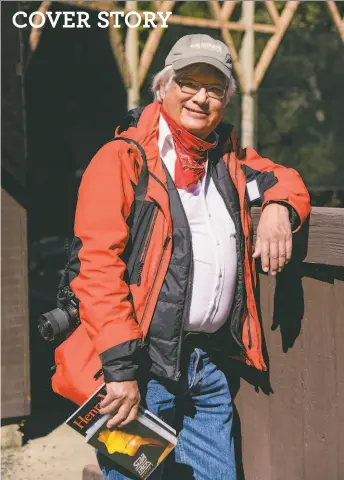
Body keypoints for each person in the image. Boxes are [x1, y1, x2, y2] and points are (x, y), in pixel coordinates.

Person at [70, 34, 311, 479]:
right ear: (163, 86)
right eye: (188, 82)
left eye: (214, 88)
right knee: (129, 475)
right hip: (137, 373)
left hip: (205, 368)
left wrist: (278, 207)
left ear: (226, 99)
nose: (201, 97)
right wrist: (120, 371)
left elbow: (285, 178)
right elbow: (97, 268)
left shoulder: (227, 159)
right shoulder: (122, 160)